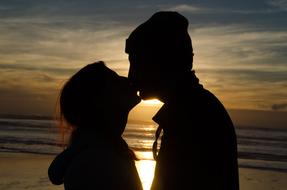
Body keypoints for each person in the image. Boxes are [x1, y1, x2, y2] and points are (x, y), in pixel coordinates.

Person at [125, 11, 239, 190]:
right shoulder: (193, 109)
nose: (131, 76)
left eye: (136, 63)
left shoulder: (194, 118)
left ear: (161, 62)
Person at [48, 61, 143, 190]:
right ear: (99, 102)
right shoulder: (95, 163)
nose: (126, 79)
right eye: (115, 81)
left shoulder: (107, 151)